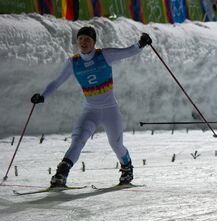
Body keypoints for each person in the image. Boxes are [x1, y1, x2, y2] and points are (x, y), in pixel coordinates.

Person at [31, 26, 152, 188]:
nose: (83, 42)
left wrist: (141, 44)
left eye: (87, 39)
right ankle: (61, 174)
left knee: (116, 144)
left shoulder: (104, 55)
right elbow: (57, 81)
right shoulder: (73, 62)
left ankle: (127, 168)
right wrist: (43, 95)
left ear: (94, 42)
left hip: (110, 110)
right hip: (91, 111)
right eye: (80, 39)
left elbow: (127, 52)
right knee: (78, 140)